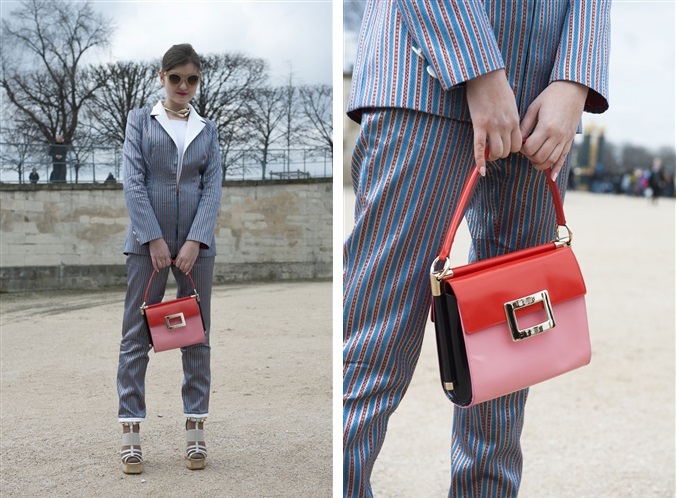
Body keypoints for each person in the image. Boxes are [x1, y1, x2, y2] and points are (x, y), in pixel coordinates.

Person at [343, 2, 610, 497]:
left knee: (514, 346)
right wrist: (477, 67)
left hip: (546, 96)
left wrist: (576, 78)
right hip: (423, 72)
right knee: (373, 340)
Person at [117, 43, 222, 475]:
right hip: (147, 244)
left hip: (197, 247)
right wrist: (154, 239)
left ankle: (196, 430)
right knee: (135, 335)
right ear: (161, 77)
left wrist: (196, 240)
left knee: (196, 334)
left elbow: (212, 188)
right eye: (175, 77)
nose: (183, 86)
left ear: (198, 82)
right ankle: (130, 431)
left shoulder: (208, 129)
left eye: (191, 79)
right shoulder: (140, 120)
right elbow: (133, 181)